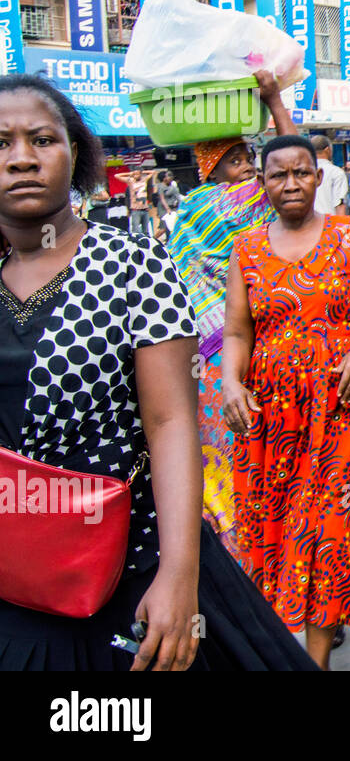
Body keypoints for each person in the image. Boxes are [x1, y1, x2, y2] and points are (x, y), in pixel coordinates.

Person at [0, 73, 315, 671]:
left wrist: (179, 578)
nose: (20, 159)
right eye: (1, 143)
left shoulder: (130, 262)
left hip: (129, 560)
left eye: (41, 140)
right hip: (16, 574)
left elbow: (170, 421)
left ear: (76, 154)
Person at [221, 135, 350, 669]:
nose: (290, 184)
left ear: (319, 178)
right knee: (270, 523)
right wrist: (231, 382)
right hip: (271, 413)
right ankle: (280, 640)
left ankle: (315, 659)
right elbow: (236, 332)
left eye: (301, 173)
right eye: (278, 175)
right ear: (263, 182)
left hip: (344, 405)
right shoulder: (246, 248)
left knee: (335, 525)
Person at [166, 72, 297, 557]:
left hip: (214, 355)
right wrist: (274, 101)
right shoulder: (219, 205)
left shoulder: (187, 212)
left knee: (233, 465)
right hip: (228, 356)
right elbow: (291, 161)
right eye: (235, 160)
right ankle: (257, 571)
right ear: (210, 168)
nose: (246, 168)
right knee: (251, 461)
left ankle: (250, 570)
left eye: (247, 157)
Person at [312, 135, 349, 215]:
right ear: (327, 150)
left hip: (307, 224)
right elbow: (339, 204)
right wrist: (341, 226)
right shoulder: (336, 172)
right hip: (328, 222)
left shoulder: (304, 172)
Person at [124, 165, 153, 237]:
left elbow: (152, 172)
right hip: (135, 210)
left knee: (146, 231)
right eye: (134, 174)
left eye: (137, 174)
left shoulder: (144, 183)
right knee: (135, 231)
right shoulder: (130, 186)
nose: (135, 176)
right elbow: (127, 198)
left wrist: (142, 172)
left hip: (145, 209)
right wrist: (128, 210)